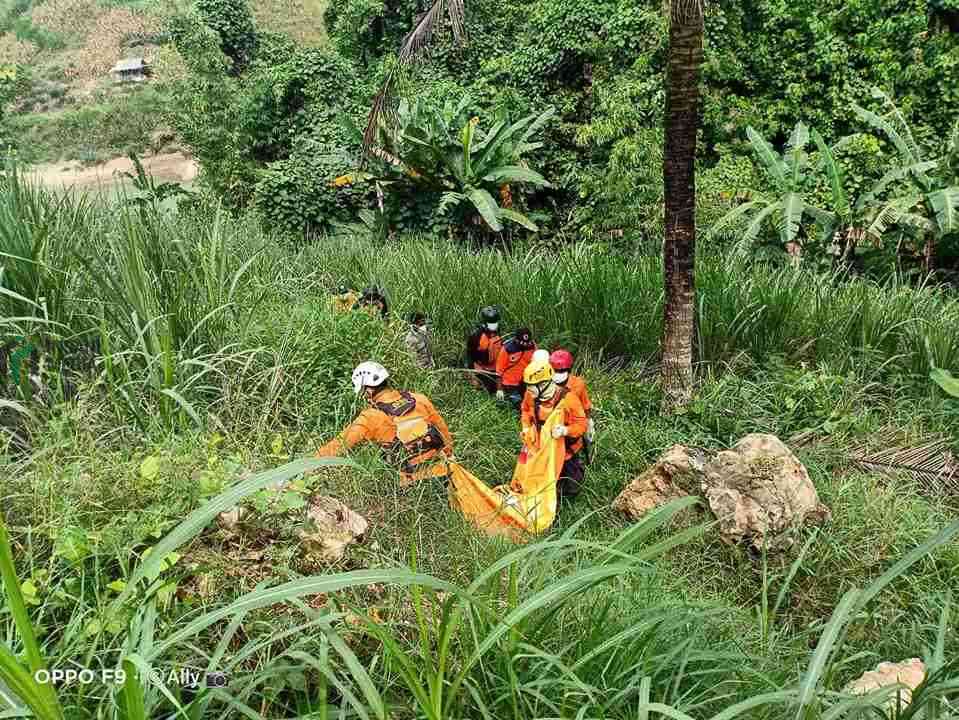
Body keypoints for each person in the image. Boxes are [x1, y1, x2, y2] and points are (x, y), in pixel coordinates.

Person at [315, 362, 453, 486]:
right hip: (446, 473)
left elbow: (339, 445)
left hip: (412, 484)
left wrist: (308, 465)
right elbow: (443, 432)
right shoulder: (419, 398)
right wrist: (449, 457)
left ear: (368, 391)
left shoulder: (370, 417)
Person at [519, 358, 588, 500]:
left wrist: (565, 430)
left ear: (543, 384)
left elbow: (581, 425)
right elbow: (525, 411)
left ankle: (570, 486)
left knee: (571, 486)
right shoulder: (530, 395)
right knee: (542, 479)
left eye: (531, 386)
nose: (528, 390)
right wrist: (526, 427)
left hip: (566, 449)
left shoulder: (569, 399)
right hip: (542, 447)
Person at [495, 327, 537, 409]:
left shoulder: (532, 346)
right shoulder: (507, 349)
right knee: (519, 405)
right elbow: (498, 371)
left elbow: (536, 363)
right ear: (516, 340)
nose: (525, 345)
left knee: (532, 402)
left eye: (527, 343)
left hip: (526, 381)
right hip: (510, 384)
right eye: (522, 343)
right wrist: (499, 389)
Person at [466, 306, 503, 393]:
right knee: (486, 390)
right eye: (491, 323)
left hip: (496, 369)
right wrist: (472, 372)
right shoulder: (476, 336)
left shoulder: (498, 333)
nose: (494, 325)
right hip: (482, 370)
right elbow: (469, 354)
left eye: (495, 323)